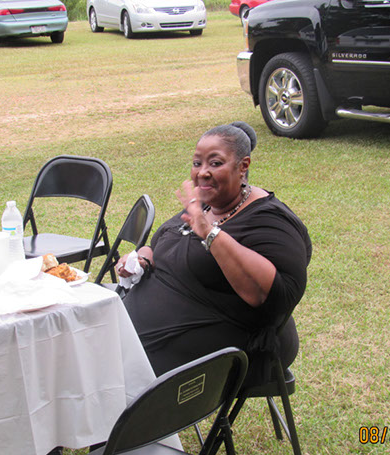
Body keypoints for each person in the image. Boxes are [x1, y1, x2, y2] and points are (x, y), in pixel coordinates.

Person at [118, 121, 312, 378]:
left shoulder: (271, 221)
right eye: (197, 163)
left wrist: (210, 234)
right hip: (138, 333)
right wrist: (142, 258)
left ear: (243, 166)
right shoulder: (207, 204)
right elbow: (161, 244)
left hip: (221, 357)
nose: (202, 173)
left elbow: (276, 298)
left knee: (99, 375)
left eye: (215, 163)